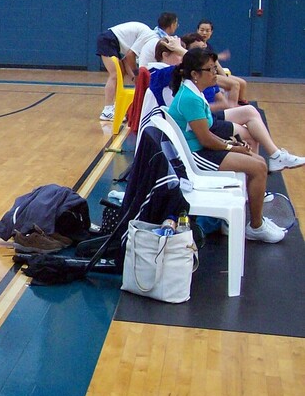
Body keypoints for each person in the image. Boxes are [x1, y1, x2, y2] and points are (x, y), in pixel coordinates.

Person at [167, 48, 285, 243]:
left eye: (215, 68)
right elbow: (205, 139)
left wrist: (229, 143)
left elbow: (207, 132)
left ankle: (256, 221)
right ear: (195, 74)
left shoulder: (195, 92)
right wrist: (231, 147)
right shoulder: (189, 98)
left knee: (257, 160)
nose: (215, 74)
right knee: (258, 167)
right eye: (210, 70)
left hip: (201, 149)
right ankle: (256, 226)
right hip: (195, 156)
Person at [94, 20, 154, 121]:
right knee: (115, 75)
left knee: (120, 74)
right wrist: (136, 76)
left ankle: (117, 107)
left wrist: (135, 78)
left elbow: (127, 61)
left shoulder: (144, 36)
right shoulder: (147, 36)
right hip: (108, 40)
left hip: (112, 41)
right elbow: (130, 57)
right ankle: (107, 111)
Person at [197, 18, 249, 104]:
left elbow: (216, 63)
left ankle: (241, 102)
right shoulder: (196, 44)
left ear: (211, 32)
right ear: (197, 30)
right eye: (202, 30)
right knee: (235, 84)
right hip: (206, 74)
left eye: (207, 30)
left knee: (242, 83)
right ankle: (232, 108)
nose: (204, 33)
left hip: (215, 72)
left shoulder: (209, 46)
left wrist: (224, 76)